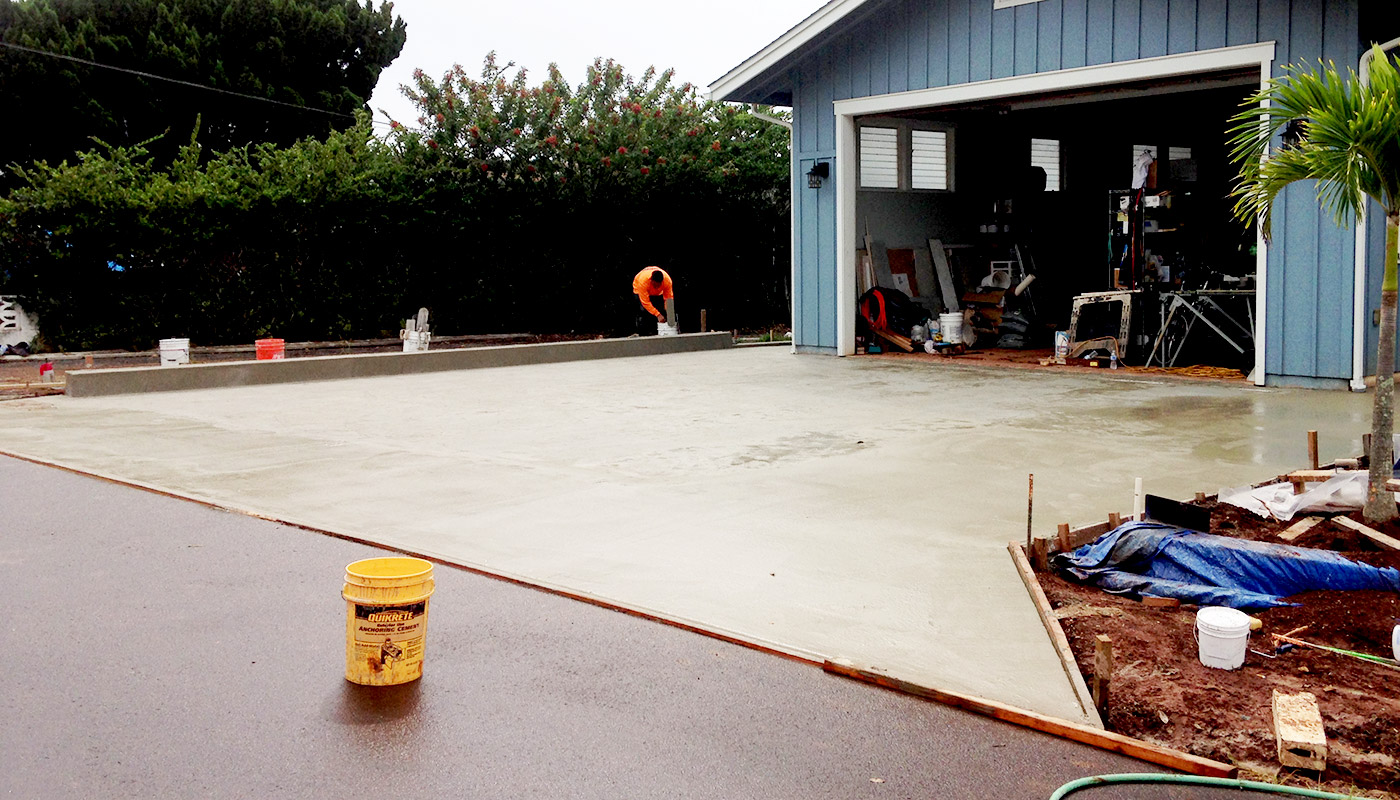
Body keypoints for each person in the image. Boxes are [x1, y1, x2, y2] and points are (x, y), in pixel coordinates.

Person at [632, 266, 674, 335]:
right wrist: (658, 315)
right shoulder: (643, 282)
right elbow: (645, 303)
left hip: (657, 293)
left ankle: (657, 332)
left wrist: (668, 312)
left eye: (658, 285)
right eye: (654, 285)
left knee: (660, 309)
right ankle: (643, 333)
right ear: (651, 280)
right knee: (643, 311)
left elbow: (668, 298)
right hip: (639, 290)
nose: (656, 287)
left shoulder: (667, 281)